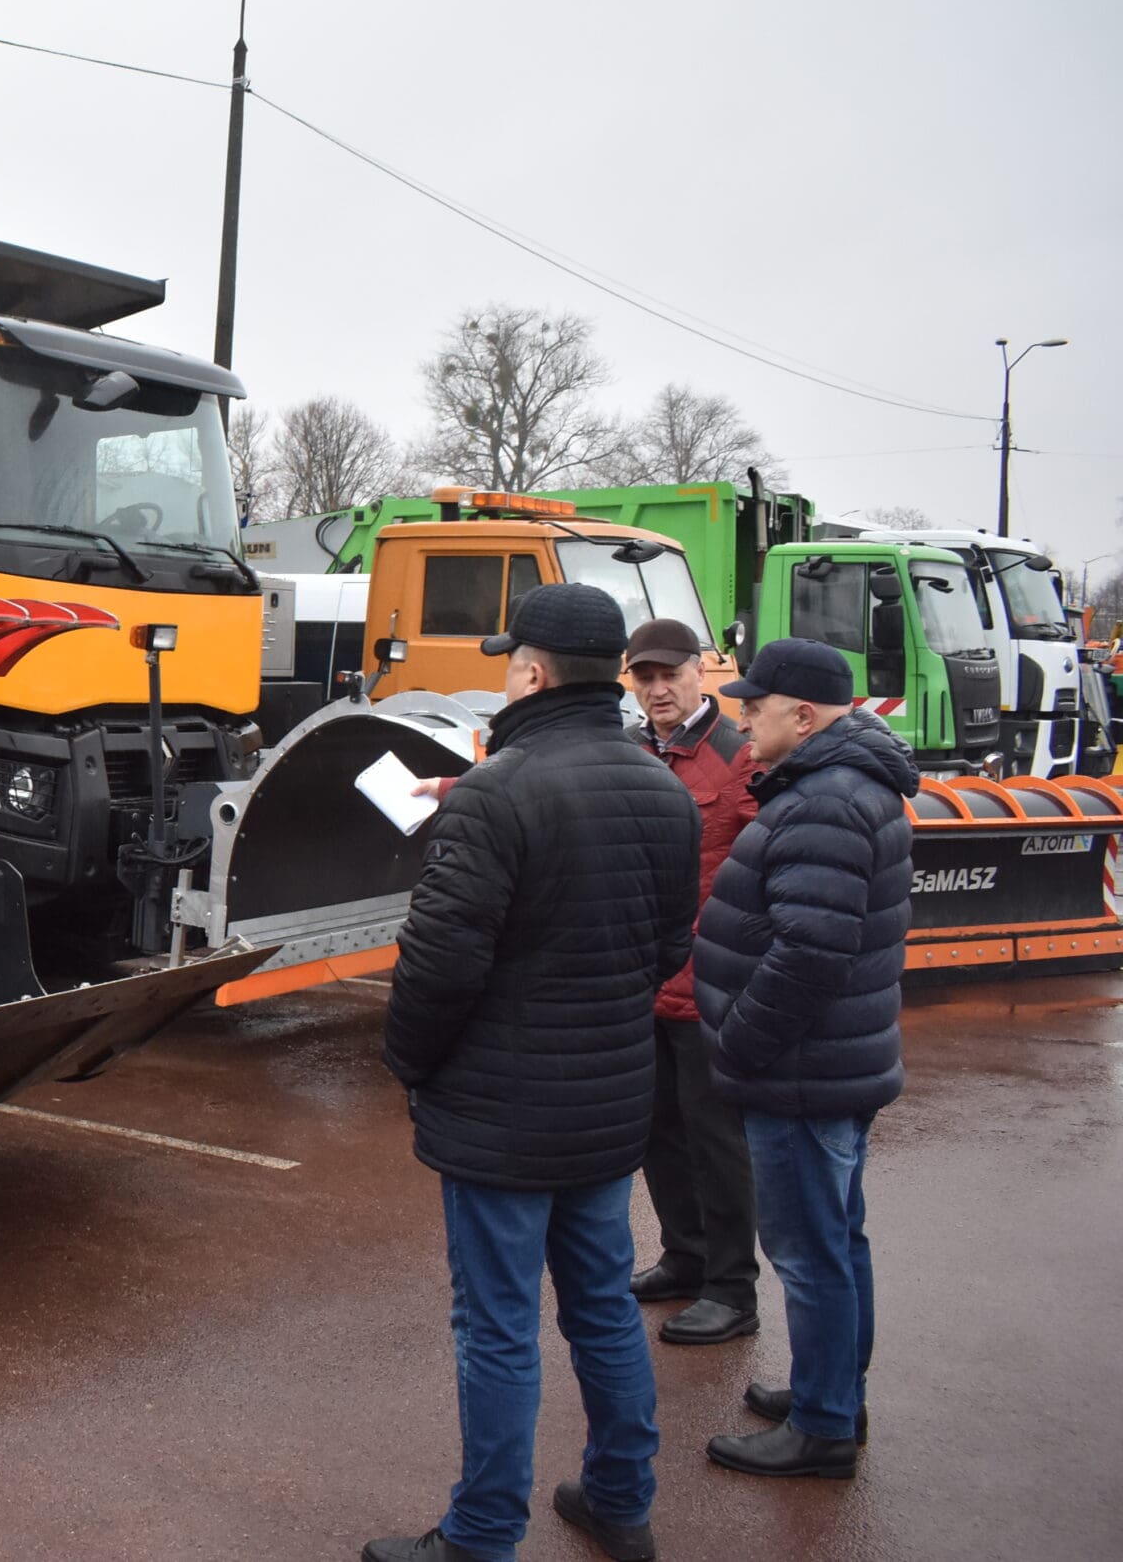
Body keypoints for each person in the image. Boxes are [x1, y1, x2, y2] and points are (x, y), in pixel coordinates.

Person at [363, 583, 702, 1562]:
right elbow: (668, 944)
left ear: (531, 671)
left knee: (498, 1325)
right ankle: (618, 1496)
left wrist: (409, 1064)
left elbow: (437, 967)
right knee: (599, 1303)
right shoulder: (661, 790)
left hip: (498, 1114)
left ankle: (478, 1536)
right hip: (604, 1104)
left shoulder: (499, 790)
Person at [693, 637, 916, 1479]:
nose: (743, 719)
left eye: (756, 707)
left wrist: (741, 1042)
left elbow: (811, 953)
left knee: (809, 1249)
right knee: (837, 1237)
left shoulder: (825, 801)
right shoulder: (842, 785)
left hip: (798, 1069)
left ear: (806, 715)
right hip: (827, 1063)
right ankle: (832, 1391)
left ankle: (823, 1424)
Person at [622, 618, 763, 1347]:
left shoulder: (737, 758)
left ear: (698, 674)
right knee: (656, 1131)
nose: (657, 689)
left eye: (668, 675)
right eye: (643, 678)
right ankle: (685, 1256)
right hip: (646, 983)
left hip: (708, 987)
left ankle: (732, 1289)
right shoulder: (636, 751)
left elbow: (773, 863)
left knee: (717, 1142)